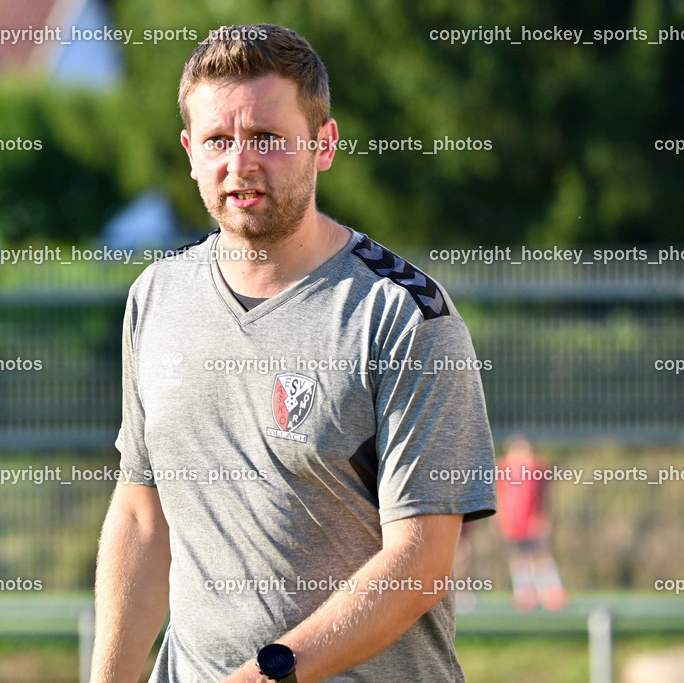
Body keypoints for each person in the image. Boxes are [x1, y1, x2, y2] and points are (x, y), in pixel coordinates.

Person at [91, 23, 496, 682]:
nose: (240, 163)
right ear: (191, 152)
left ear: (324, 145)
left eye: (267, 139)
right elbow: (142, 514)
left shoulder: (403, 314)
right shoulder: (156, 298)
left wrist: (265, 675)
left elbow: (419, 565)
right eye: (219, 140)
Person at [495, 435, 568, 612]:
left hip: (532, 522)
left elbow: (543, 497)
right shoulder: (503, 469)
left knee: (540, 556)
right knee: (518, 558)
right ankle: (524, 592)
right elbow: (500, 496)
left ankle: (550, 590)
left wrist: (543, 518)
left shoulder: (538, 468)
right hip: (512, 522)